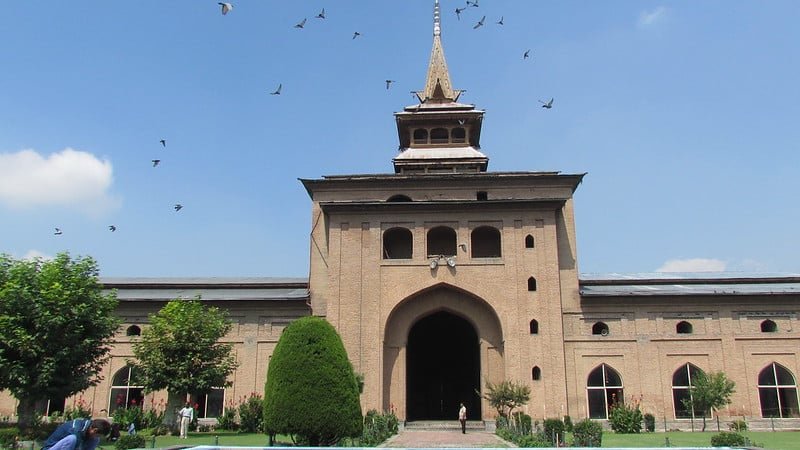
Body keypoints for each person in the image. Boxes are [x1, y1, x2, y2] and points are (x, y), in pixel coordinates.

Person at [41, 418, 111, 450]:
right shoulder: (76, 429)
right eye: (97, 435)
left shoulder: (90, 433)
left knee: (95, 440)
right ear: (94, 430)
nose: (96, 437)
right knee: (72, 439)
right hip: (50, 448)